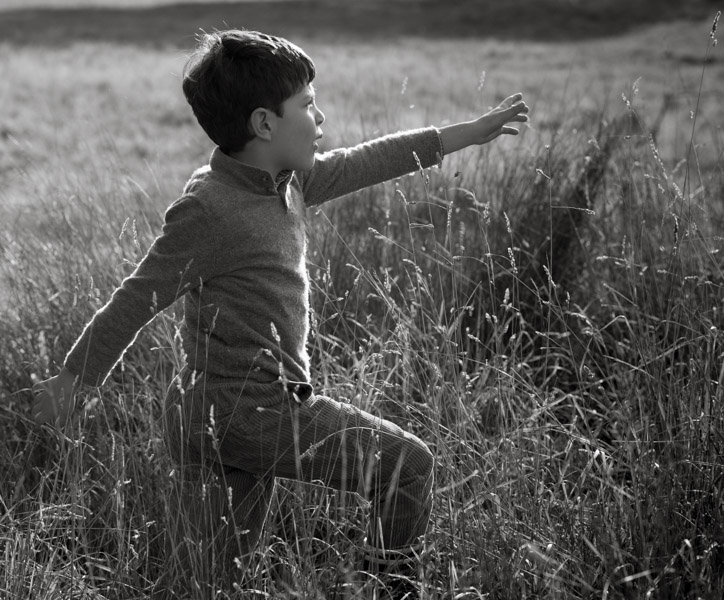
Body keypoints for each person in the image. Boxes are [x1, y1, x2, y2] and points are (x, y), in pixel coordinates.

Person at [32, 29, 529, 598]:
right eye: (308, 104)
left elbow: (369, 160)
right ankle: (383, 590)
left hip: (216, 413)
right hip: (251, 410)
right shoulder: (210, 208)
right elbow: (136, 297)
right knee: (406, 467)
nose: (321, 117)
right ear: (265, 124)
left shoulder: (286, 182)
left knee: (216, 582)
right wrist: (75, 380)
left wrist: (464, 134)